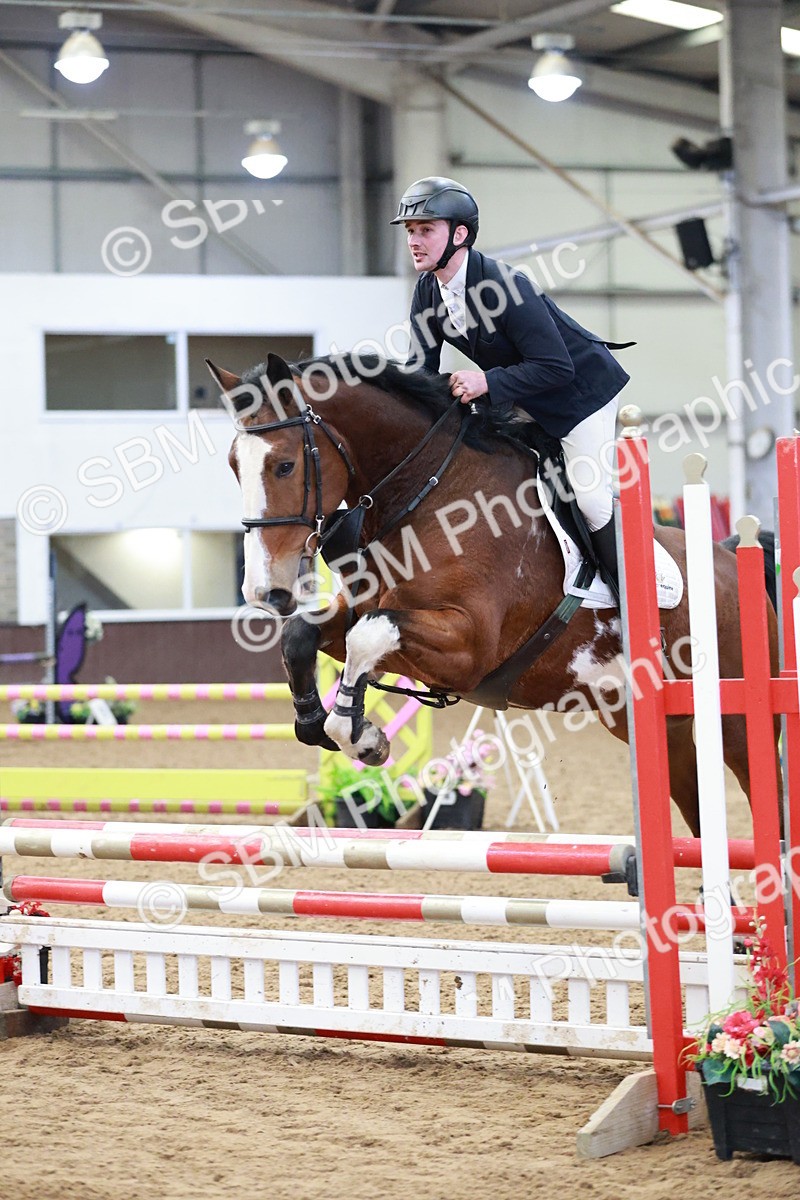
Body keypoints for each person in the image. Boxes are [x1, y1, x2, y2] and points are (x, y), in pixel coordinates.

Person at [392, 175, 631, 596]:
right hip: (522, 395)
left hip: (579, 397)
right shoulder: (428, 292)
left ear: (459, 234)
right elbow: (421, 371)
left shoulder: (506, 286)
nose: (414, 240)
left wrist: (485, 381)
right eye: (411, 231)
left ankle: (631, 596)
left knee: (591, 500)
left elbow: (556, 367)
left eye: (426, 229)